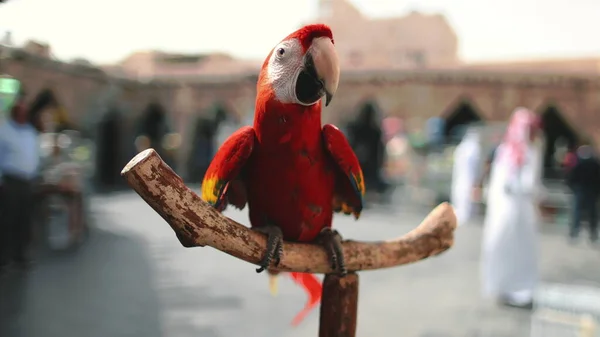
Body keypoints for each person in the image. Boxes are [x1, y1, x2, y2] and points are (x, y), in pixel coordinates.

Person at [481, 107, 544, 309]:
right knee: (506, 249)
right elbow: (525, 185)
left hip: (515, 213)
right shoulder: (518, 152)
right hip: (511, 211)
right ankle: (506, 288)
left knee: (515, 251)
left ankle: (515, 290)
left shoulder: (514, 151)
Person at [0, 96, 41, 272]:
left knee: (25, 219)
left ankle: (21, 255)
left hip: (27, 181)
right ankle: (4, 257)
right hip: (11, 181)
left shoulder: (30, 132)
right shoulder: (4, 131)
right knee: (8, 219)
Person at [566, 140, 600, 242]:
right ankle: (590, 233)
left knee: (578, 211)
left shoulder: (579, 163)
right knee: (589, 212)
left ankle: (576, 233)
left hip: (582, 189)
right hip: (588, 190)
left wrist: (572, 186)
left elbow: (571, 176)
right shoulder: (594, 163)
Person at [451, 127, 482, 226]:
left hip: (468, 175)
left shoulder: (469, 147)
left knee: (466, 194)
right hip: (463, 175)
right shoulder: (467, 147)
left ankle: (465, 215)